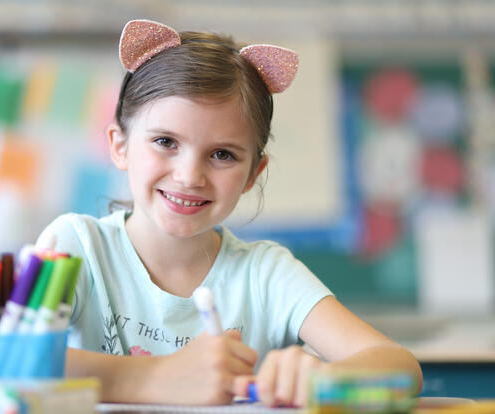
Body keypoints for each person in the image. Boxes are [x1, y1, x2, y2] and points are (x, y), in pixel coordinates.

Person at [38, 19, 423, 407]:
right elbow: (0, 362)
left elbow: (403, 371)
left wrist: (320, 379)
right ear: (119, 146)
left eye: (222, 155)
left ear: (253, 174)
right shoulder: (75, 247)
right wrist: (155, 377)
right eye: (165, 141)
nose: (189, 176)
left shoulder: (267, 275)